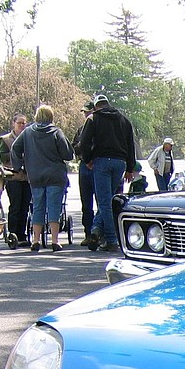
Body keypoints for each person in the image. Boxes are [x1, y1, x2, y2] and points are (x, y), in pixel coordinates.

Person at [76, 93, 136, 252]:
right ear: (108, 104)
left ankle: (111, 239)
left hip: (101, 161)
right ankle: (96, 229)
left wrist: (88, 160)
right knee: (108, 199)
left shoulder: (93, 119)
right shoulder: (124, 120)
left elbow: (84, 143)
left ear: (96, 106)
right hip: (120, 163)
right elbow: (131, 145)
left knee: (104, 202)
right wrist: (130, 168)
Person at [11, 104, 74, 252]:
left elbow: (15, 148)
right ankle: (55, 241)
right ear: (51, 117)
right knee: (54, 207)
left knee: (38, 207)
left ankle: (36, 240)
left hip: (35, 175)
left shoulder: (27, 132)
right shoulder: (56, 132)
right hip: (55, 176)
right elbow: (67, 154)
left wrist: (18, 166)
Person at [0, 114, 31, 245]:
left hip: (27, 177)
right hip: (13, 177)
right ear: (13, 124)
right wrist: (17, 154)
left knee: (25, 207)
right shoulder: (5, 139)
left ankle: (22, 234)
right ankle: (13, 233)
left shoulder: (29, 138)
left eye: (24, 123)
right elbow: (3, 157)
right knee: (15, 206)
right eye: (19, 123)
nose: (22, 125)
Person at [72, 100, 96, 239]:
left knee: (101, 201)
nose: (86, 114)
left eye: (89, 111)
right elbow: (74, 146)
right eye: (85, 112)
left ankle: (99, 232)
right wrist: (82, 154)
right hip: (84, 167)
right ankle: (88, 233)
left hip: (97, 165)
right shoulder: (81, 129)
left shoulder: (100, 128)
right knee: (86, 203)